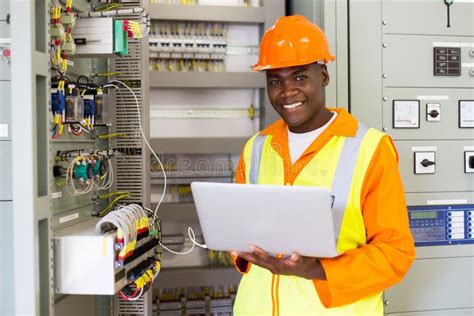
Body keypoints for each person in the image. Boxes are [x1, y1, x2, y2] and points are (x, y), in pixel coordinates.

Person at [230, 15, 416, 315]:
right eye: (275, 80)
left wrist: (316, 269)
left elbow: (395, 254)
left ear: (324, 76)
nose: (287, 91)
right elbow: (239, 231)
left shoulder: (369, 149)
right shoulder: (256, 148)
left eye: (300, 77)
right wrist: (238, 247)